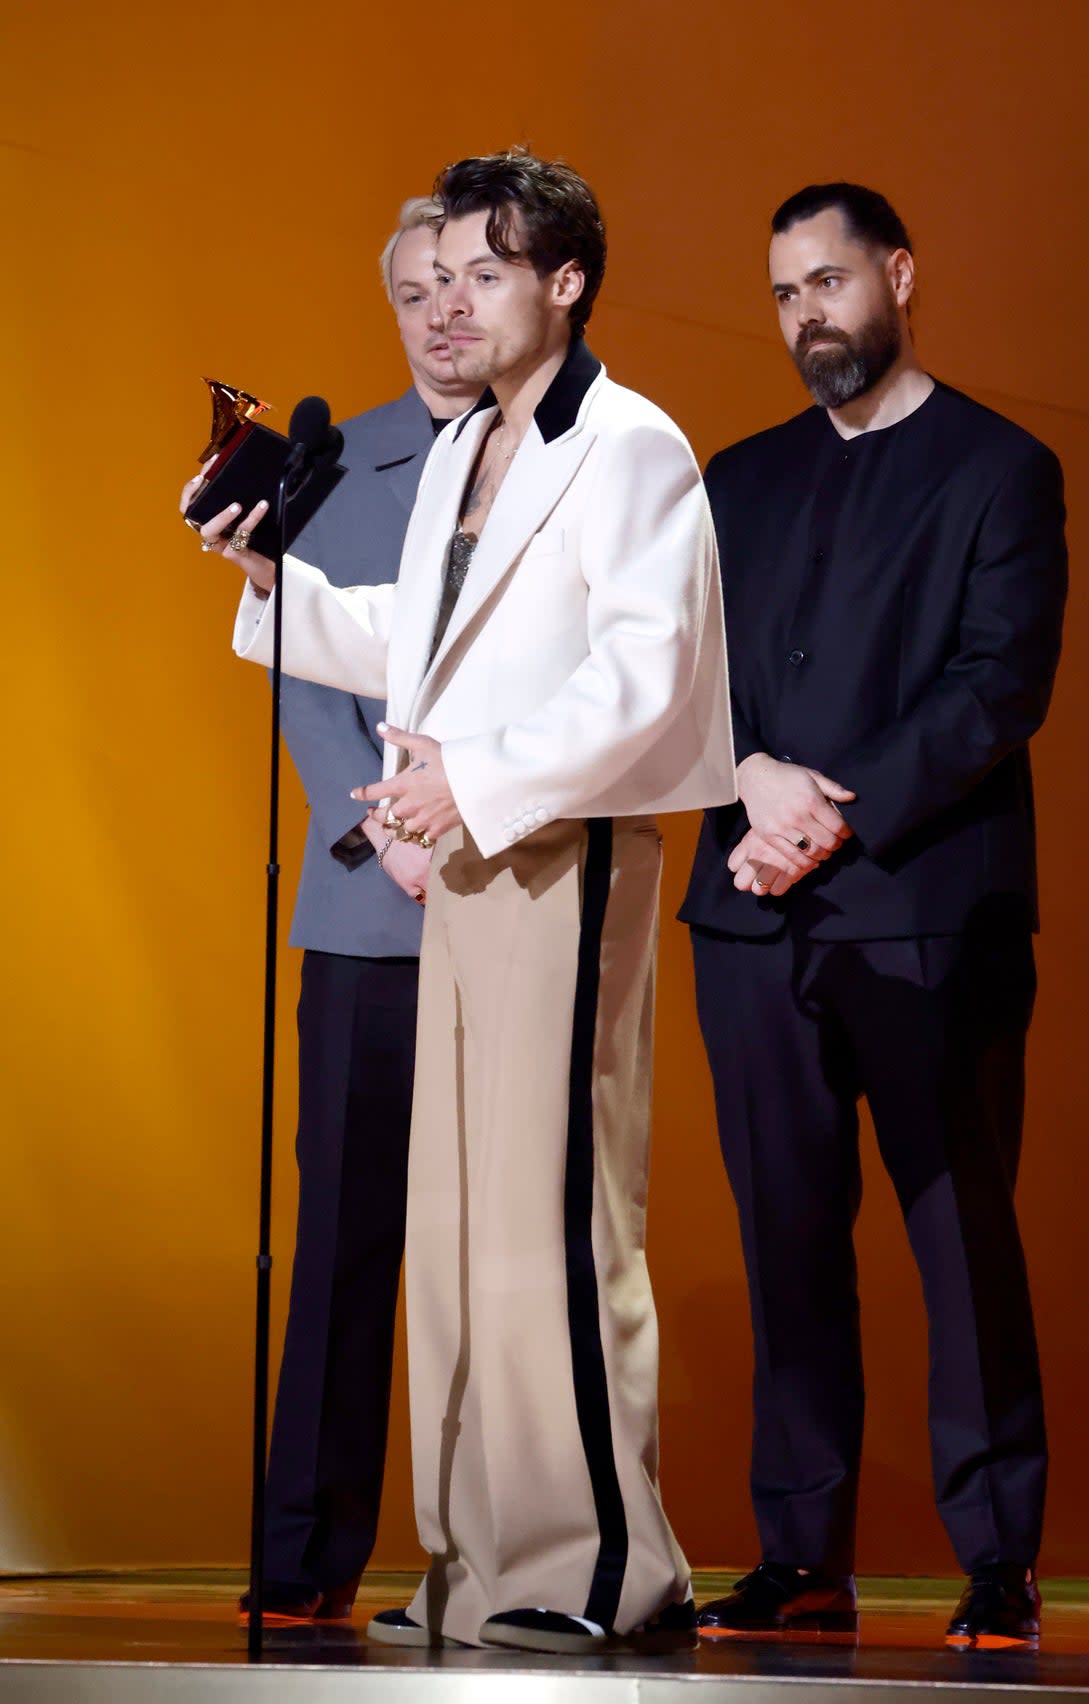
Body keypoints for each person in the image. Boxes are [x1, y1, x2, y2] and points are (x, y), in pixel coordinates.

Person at [203, 149, 735, 1654]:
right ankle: (478, 1561)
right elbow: (413, 641)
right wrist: (261, 577)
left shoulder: (630, 445)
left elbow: (649, 679)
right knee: (456, 1226)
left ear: (566, 283)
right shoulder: (462, 453)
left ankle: (598, 1569)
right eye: (445, 273)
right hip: (473, 857)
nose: (458, 299)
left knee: (549, 1218)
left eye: (489, 272)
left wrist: (476, 780)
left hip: (560, 849)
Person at [680, 182, 1067, 1649]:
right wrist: (755, 779)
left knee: (958, 1235)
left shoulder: (999, 466)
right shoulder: (738, 479)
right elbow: (688, 678)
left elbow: (997, 686)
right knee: (788, 1241)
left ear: (898, 273)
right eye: (784, 293)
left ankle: (996, 1556)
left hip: (925, 914)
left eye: (830, 282)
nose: (807, 316)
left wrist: (825, 813)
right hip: (752, 926)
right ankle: (803, 1556)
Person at [181, 197, 480, 1622]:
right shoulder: (334, 462)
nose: (440, 313)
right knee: (347, 1242)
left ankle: (501, 1560)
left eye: (463, 283)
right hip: (370, 909)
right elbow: (309, 671)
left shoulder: (561, 464)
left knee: (505, 1260)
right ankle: (302, 1564)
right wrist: (392, 839)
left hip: (521, 898)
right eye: (414, 291)